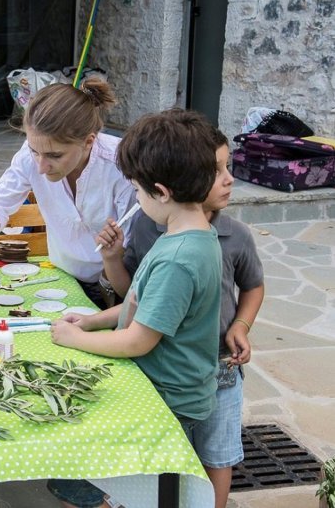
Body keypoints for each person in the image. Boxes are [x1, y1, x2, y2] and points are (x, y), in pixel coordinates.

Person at [46, 109, 223, 508]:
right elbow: (140, 305)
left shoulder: (179, 257)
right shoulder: (189, 235)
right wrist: (93, 320)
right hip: (161, 390)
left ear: (161, 192)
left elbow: (139, 340)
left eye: (138, 192)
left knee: (88, 478)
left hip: (165, 399)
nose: (137, 200)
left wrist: (75, 339)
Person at [96, 124, 265, 508]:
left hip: (220, 365)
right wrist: (111, 259)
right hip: (181, 369)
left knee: (216, 456)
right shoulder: (149, 228)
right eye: (217, 169)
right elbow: (136, 297)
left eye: (226, 167)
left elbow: (253, 285)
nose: (228, 179)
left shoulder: (231, 236)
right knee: (174, 465)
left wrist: (241, 324)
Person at [0, 80, 136, 308]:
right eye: (35, 151)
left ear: (88, 141)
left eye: (55, 155)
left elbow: (131, 252)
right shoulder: (31, 156)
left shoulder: (122, 165)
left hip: (117, 289)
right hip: (64, 279)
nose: (41, 167)